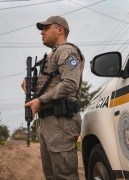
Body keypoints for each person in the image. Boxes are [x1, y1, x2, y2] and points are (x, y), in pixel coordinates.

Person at [21, 16, 85, 180]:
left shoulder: (66, 52)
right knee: (52, 175)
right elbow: (51, 85)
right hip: (49, 120)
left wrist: (40, 101)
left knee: (65, 175)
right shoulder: (52, 55)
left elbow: (70, 84)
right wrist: (31, 89)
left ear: (60, 30)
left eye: (46, 28)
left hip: (61, 121)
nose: (42, 32)